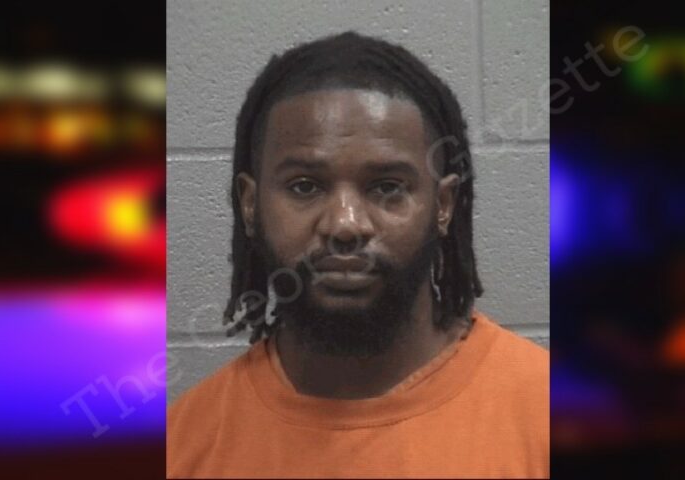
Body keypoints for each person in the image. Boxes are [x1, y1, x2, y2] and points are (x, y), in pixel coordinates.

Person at [167, 31, 548, 479]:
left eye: (387, 187)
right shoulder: (181, 444)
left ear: (443, 205)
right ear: (250, 205)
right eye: (304, 186)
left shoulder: (548, 414)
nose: (345, 224)